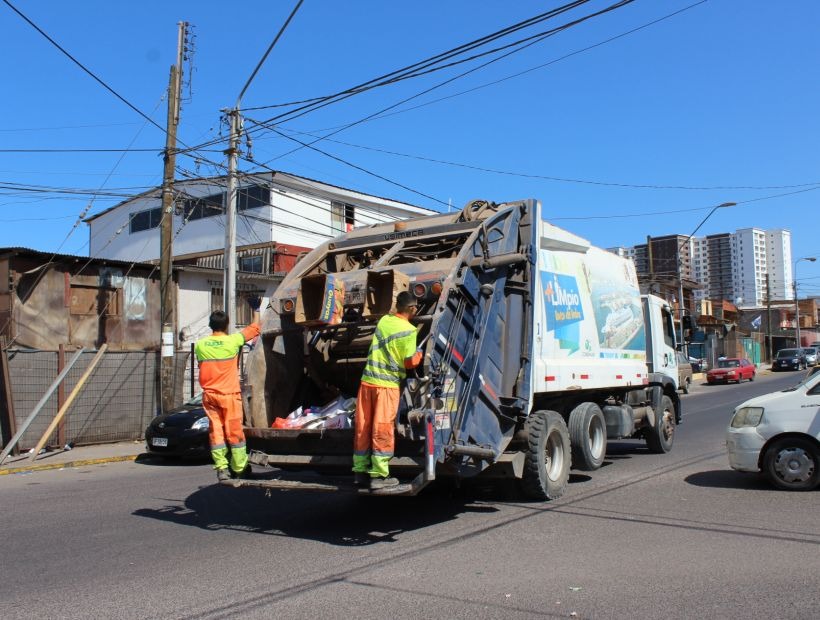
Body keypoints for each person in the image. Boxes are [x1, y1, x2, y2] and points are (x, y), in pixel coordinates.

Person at [353, 290, 423, 489]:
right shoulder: (409, 331)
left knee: (363, 427)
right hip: (386, 386)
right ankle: (379, 475)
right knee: (382, 428)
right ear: (412, 308)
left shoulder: (384, 321)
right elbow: (409, 363)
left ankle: (360, 471)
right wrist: (418, 354)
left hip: (367, 383)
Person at [195, 296, 262, 482]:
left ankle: (221, 469)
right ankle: (240, 468)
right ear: (226, 325)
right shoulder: (233, 341)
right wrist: (256, 309)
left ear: (210, 325)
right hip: (229, 395)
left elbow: (202, 365)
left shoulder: (200, 345)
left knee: (216, 431)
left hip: (210, 395)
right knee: (234, 432)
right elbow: (255, 328)